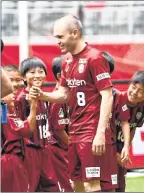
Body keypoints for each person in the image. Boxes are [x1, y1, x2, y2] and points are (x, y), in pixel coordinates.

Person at [29, 15, 114, 192]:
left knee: (93, 184)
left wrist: (99, 133)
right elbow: (64, 94)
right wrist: (42, 95)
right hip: (74, 132)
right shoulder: (67, 61)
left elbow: (107, 96)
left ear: (74, 33)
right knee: (76, 184)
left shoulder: (95, 57)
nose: (57, 42)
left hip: (91, 132)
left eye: (60, 37)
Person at [15, 57, 60, 192]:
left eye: (41, 71)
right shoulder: (21, 99)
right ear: (23, 77)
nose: (37, 75)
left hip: (45, 150)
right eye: (32, 72)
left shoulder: (45, 97)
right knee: (30, 187)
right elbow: (21, 128)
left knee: (52, 188)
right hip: (29, 151)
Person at [111, 71, 144, 192]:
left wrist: (125, 150)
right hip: (106, 148)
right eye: (133, 87)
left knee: (120, 187)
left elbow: (133, 128)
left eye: (141, 91)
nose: (135, 93)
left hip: (120, 150)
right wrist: (114, 153)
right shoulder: (115, 98)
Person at [45, 55, 73, 191]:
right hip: (59, 150)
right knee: (67, 187)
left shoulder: (73, 95)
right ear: (59, 76)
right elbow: (59, 129)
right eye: (69, 71)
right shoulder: (57, 99)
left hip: (67, 149)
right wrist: (74, 147)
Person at [1, 91, 38, 192]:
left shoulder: (3, 114)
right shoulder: (6, 116)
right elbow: (29, 128)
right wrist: (33, 105)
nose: (14, 95)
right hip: (9, 161)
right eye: (9, 93)